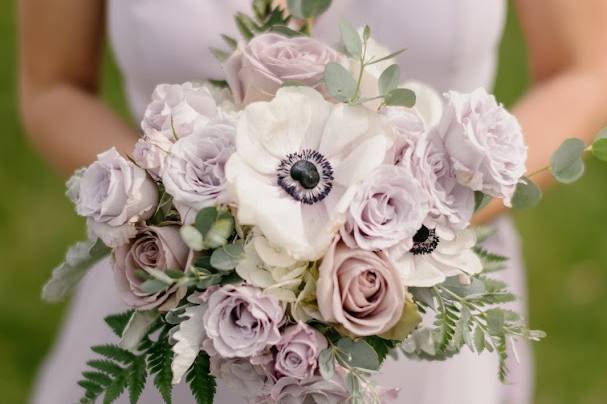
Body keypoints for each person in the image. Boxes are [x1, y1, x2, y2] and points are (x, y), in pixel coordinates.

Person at [17, 0, 607, 403]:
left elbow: (582, 70)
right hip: (181, 295)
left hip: (420, 305)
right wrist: (183, 211)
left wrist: (412, 222)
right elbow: (53, 85)